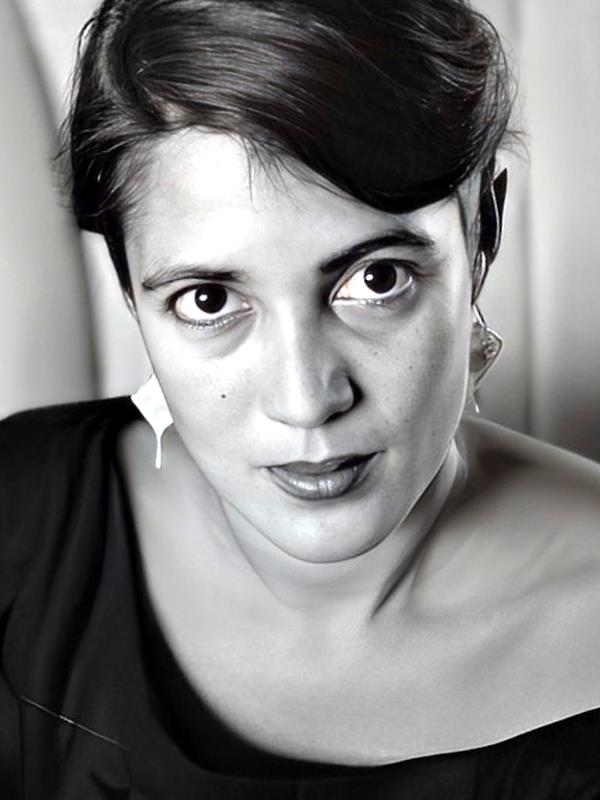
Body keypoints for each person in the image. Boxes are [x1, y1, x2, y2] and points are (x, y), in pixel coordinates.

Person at [2, 0, 600, 797]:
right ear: (128, 289)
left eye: (376, 279)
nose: (306, 401)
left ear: (481, 233)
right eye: (210, 299)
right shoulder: (17, 515)